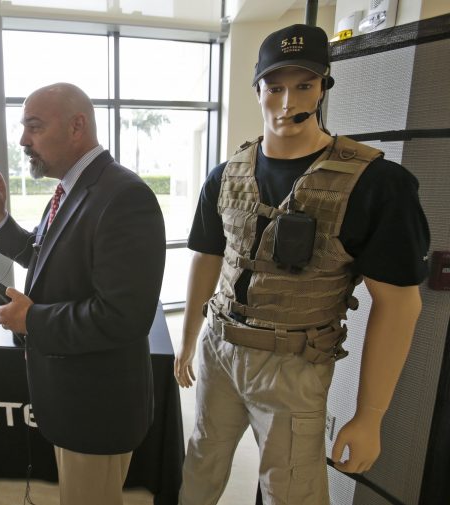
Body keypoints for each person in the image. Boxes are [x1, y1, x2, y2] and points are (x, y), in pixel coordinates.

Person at [175, 24, 430, 505]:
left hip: (292, 363)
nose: (288, 101)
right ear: (257, 91)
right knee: (202, 462)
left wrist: (370, 414)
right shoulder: (225, 174)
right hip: (220, 347)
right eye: (275, 87)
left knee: (291, 489)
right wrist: (189, 339)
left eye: (304, 85)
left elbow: (399, 305)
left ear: (324, 87)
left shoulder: (377, 184)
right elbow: (209, 257)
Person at [0, 82, 166, 505]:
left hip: (97, 409)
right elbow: (45, 259)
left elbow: (123, 315)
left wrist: (32, 320)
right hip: (74, 398)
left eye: (34, 127)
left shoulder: (125, 197)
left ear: (77, 126)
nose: (23, 140)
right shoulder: (72, 190)